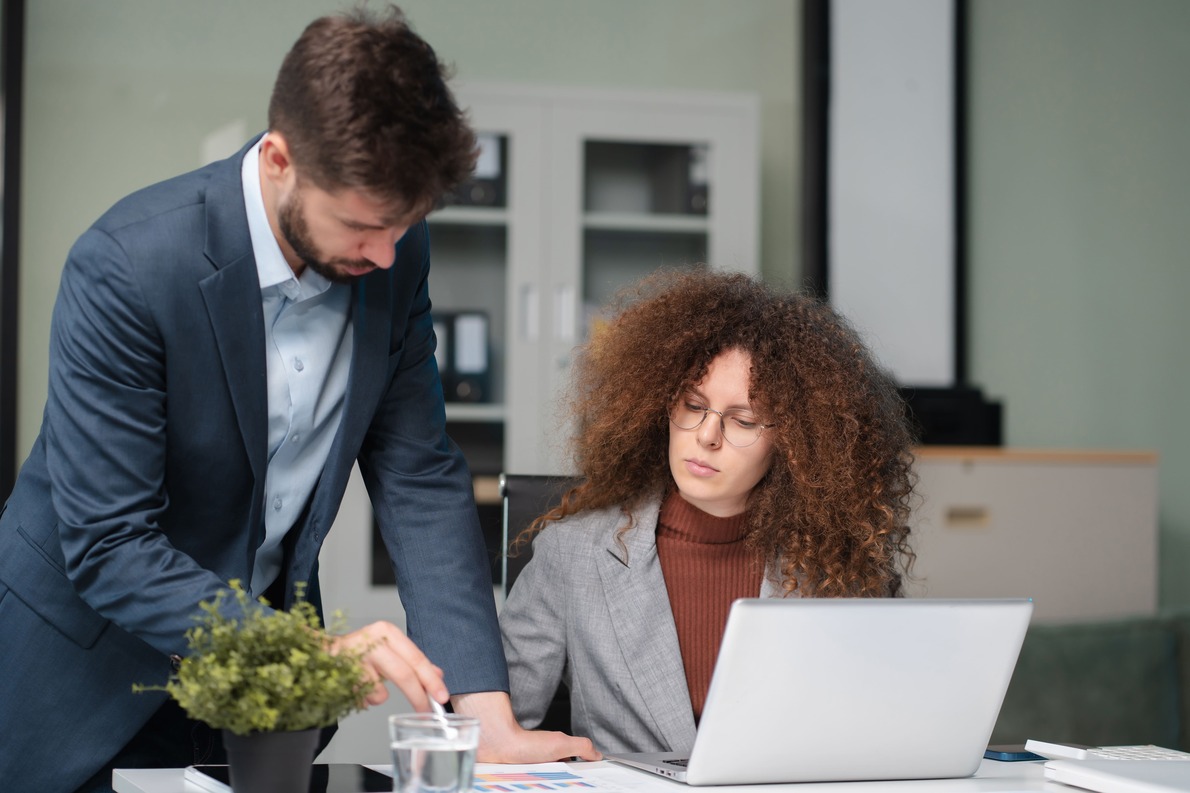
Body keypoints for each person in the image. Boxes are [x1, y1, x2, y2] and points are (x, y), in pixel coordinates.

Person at [0, 7, 595, 793]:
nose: (386, 254)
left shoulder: (391, 248)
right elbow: (109, 540)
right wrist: (310, 652)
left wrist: (485, 716)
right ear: (279, 159)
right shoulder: (128, 266)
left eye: (404, 225)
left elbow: (419, 477)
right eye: (361, 225)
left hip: (261, 702)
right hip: (85, 677)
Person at [500, 268, 918, 754]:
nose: (706, 436)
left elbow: (878, 731)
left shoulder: (834, 568)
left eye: (743, 420)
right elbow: (488, 736)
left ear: (795, 444)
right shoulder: (572, 555)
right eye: (693, 405)